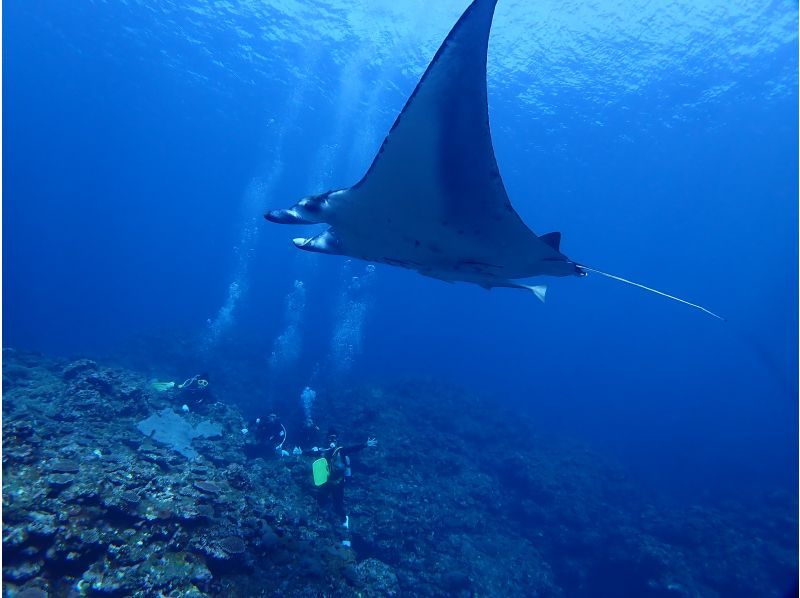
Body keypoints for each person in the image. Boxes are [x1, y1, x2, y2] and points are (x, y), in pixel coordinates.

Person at [310, 429, 377, 547]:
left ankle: (344, 524)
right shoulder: (323, 451)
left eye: (334, 438)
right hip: (326, 483)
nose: (332, 441)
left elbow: (353, 448)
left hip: (338, 483)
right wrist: (301, 452)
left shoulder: (341, 451)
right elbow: (311, 453)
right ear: (327, 439)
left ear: (337, 440)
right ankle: (319, 524)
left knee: (338, 506)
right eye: (330, 438)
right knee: (320, 502)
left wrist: (365, 445)